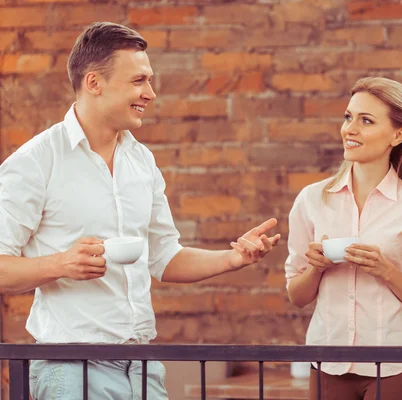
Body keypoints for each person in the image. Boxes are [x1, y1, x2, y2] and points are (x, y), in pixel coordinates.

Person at [0, 22, 280, 400]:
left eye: (149, 81)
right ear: (94, 83)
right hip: (70, 368)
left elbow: (165, 257)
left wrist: (233, 259)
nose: (150, 93)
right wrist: (61, 265)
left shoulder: (142, 161)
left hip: (143, 367)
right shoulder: (36, 162)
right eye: (138, 81)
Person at [285, 77, 402, 400]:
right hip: (327, 363)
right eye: (348, 117)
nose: (350, 129)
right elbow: (297, 295)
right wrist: (315, 269)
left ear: (398, 134)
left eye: (366, 120)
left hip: (393, 367)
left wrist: (386, 270)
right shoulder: (312, 199)